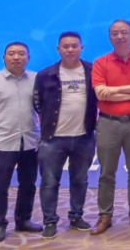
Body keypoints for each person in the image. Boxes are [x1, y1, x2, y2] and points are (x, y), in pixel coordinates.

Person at [34, 32, 98, 239]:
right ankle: (50, 221)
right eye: (65, 46)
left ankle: (76, 217)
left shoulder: (92, 70)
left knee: (80, 180)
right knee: (49, 182)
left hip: (84, 137)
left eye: (74, 46)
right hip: (53, 139)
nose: (70, 50)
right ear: (58, 49)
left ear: (81, 48)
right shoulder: (45, 75)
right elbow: (38, 103)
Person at [0, 42, 42, 243]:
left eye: (21, 54)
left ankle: (23, 220)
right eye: (11, 53)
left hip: (30, 140)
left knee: (28, 184)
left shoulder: (36, 79)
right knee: (0, 186)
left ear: (28, 58)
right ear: (4, 57)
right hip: (3, 142)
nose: (16, 57)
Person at [90, 20, 130, 236]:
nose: (119, 36)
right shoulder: (100, 62)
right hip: (108, 123)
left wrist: (114, 91)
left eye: (124, 32)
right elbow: (101, 93)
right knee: (107, 172)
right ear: (109, 37)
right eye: (115, 33)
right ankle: (105, 215)